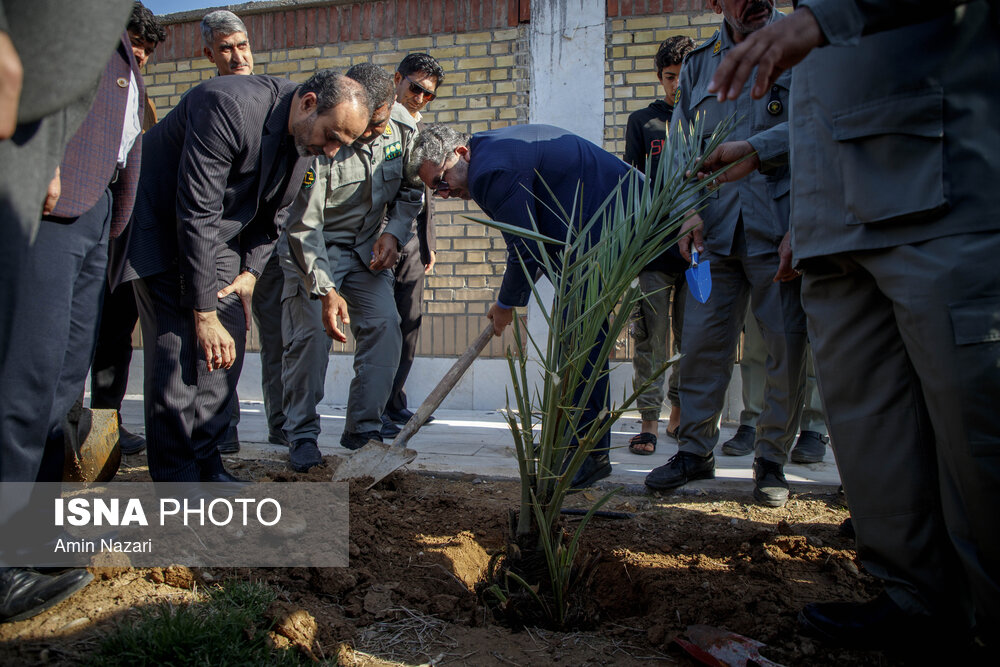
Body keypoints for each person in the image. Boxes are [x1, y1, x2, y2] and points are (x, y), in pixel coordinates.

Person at [707, 0, 1000, 650]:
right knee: (874, 430)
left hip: (940, 172)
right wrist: (807, 204)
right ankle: (913, 600)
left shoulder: (813, 15)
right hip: (834, 214)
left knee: (973, 423)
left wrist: (826, 16)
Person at [112, 69, 370, 483]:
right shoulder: (227, 105)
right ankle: (176, 477)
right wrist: (203, 311)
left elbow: (277, 215)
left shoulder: (308, 139)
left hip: (220, 237)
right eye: (333, 136)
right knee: (179, 349)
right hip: (161, 226)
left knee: (224, 349)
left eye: (345, 143)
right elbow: (196, 211)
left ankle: (207, 461)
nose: (333, 151)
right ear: (307, 103)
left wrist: (250, 272)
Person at [0, 0, 139, 622]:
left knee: (60, 390)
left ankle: (31, 538)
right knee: (23, 383)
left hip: (94, 216)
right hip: (47, 201)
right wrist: (39, 155)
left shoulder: (118, 45)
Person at [408, 123, 641, 489]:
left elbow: (526, 246)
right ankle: (573, 444)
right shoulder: (489, 150)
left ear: (461, 153)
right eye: (434, 190)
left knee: (580, 341)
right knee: (576, 340)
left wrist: (505, 304)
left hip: (614, 223)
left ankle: (590, 455)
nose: (444, 193)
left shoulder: (489, 171)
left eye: (442, 181)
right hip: (593, 231)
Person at [643, 0, 808, 508]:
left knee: (785, 348)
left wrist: (803, 223)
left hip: (777, 226)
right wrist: (687, 213)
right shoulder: (698, 65)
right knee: (701, 346)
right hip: (713, 230)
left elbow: (816, 129)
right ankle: (694, 451)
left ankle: (772, 460)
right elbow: (680, 150)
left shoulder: (801, 45)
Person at [279, 62, 423, 469]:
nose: (375, 133)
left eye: (380, 122)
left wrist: (393, 233)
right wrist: (325, 289)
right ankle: (302, 436)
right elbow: (303, 225)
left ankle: (364, 429)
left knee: (385, 326)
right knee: (311, 338)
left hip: (365, 254)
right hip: (313, 252)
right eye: (369, 127)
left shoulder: (400, 130)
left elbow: (411, 193)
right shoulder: (325, 140)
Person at [89, 1, 165, 457]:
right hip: (78, 223)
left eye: (148, 49)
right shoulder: (86, 90)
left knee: (115, 337)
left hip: (123, 234)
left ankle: (104, 432)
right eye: (135, 43)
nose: (140, 55)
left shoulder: (144, 103)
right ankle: (58, 429)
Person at [623, 35, 694, 456]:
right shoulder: (643, 121)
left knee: (691, 336)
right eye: (669, 77)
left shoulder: (704, 117)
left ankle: (679, 413)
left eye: (683, 77)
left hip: (697, 250)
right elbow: (629, 183)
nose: (676, 85)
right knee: (651, 337)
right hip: (653, 248)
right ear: (659, 77)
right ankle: (648, 419)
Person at [380, 52, 445, 439]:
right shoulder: (380, 124)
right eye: (415, 88)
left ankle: (396, 404)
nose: (420, 98)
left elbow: (427, 194)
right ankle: (376, 409)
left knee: (408, 326)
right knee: (383, 327)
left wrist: (429, 242)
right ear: (397, 79)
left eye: (428, 94)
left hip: (414, 247)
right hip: (381, 241)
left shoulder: (425, 133)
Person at [721, 308, 828, 463]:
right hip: (766, 283)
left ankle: (814, 427)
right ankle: (753, 422)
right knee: (756, 341)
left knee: (815, 346)